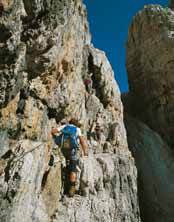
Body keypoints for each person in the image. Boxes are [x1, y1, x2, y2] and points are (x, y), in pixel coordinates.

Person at [51, 118, 88, 197]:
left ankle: (62, 184)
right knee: (73, 169)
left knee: (64, 164)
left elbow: (53, 131)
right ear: (76, 124)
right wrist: (85, 152)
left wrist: (57, 138)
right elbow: (82, 141)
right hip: (73, 151)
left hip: (63, 150)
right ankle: (71, 190)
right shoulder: (77, 129)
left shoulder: (65, 126)